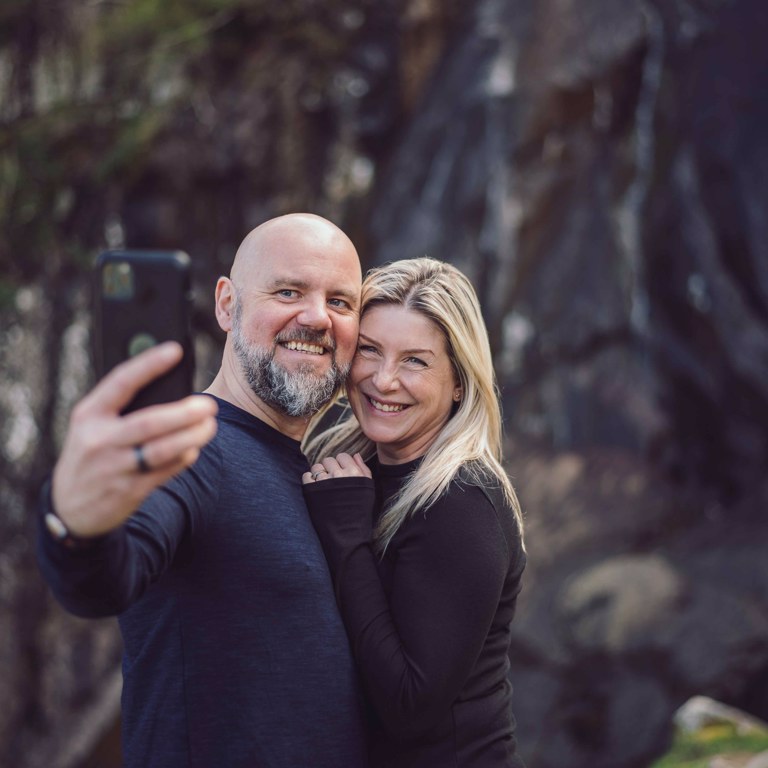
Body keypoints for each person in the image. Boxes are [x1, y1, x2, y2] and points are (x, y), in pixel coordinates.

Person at [37, 213, 369, 768]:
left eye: (341, 302)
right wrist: (73, 520)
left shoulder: (322, 474)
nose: (316, 317)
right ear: (226, 304)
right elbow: (103, 578)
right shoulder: (190, 452)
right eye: (288, 291)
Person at [301, 257, 527, 767]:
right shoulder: (348, 467)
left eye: (415, 361)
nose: (383, 380)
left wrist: (348, 539)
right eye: (370, 351)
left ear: (460, 383)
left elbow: (409, 705)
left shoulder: (462, 502)